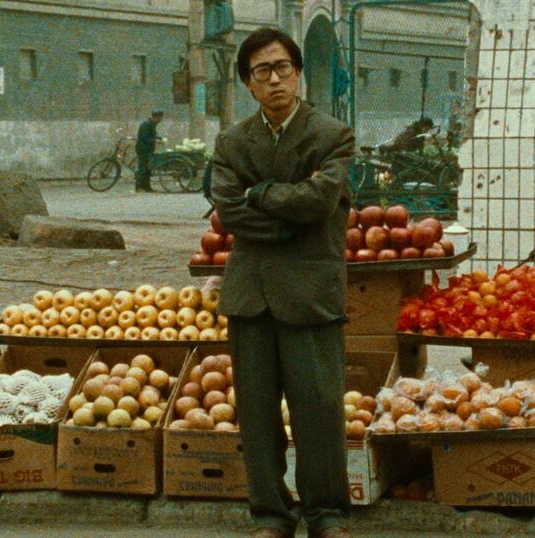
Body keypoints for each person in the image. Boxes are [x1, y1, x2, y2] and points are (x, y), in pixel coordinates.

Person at [210, 28, 355, 538]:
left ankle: (325, 512)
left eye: (282, 68)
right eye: (261, 72)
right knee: (256, 410)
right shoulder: (231, 142)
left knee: (318, 408)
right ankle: (271, 514)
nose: (274, 80)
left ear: (298, 73)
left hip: (312, 291)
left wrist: (260, 193)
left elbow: (320, 202)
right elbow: (227, 211)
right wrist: (287, 213)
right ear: (248, 84)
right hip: (251, 294)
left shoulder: (331, 135)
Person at [135, 110, 164, 192]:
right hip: (143, 149)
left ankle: (147, 187)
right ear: (155, 117)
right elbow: (145, 138)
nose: (160, 120)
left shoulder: (152, 124)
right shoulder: (146, 125)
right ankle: (139, 187)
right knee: (142, 168)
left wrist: (158, 138)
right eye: (159, 118)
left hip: (149, 149)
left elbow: (151, 135)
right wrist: (155, 141)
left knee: (148, 168)